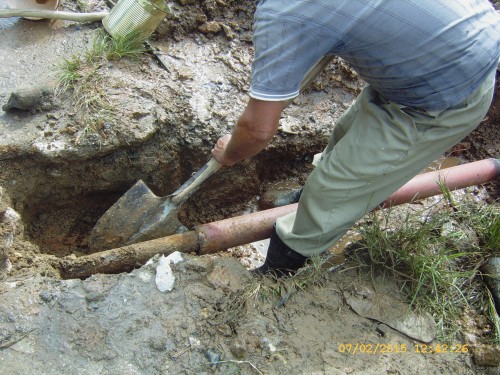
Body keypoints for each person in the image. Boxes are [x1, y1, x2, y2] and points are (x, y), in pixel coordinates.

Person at [211, 0, 500, 275]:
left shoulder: (286, 12)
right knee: (345, 135)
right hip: (428, 54)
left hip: (451, 86)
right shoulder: (298, 13)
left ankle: (278, 271)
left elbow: (257, 132)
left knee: (336, 191)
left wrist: (230, 153)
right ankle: (303, 202)